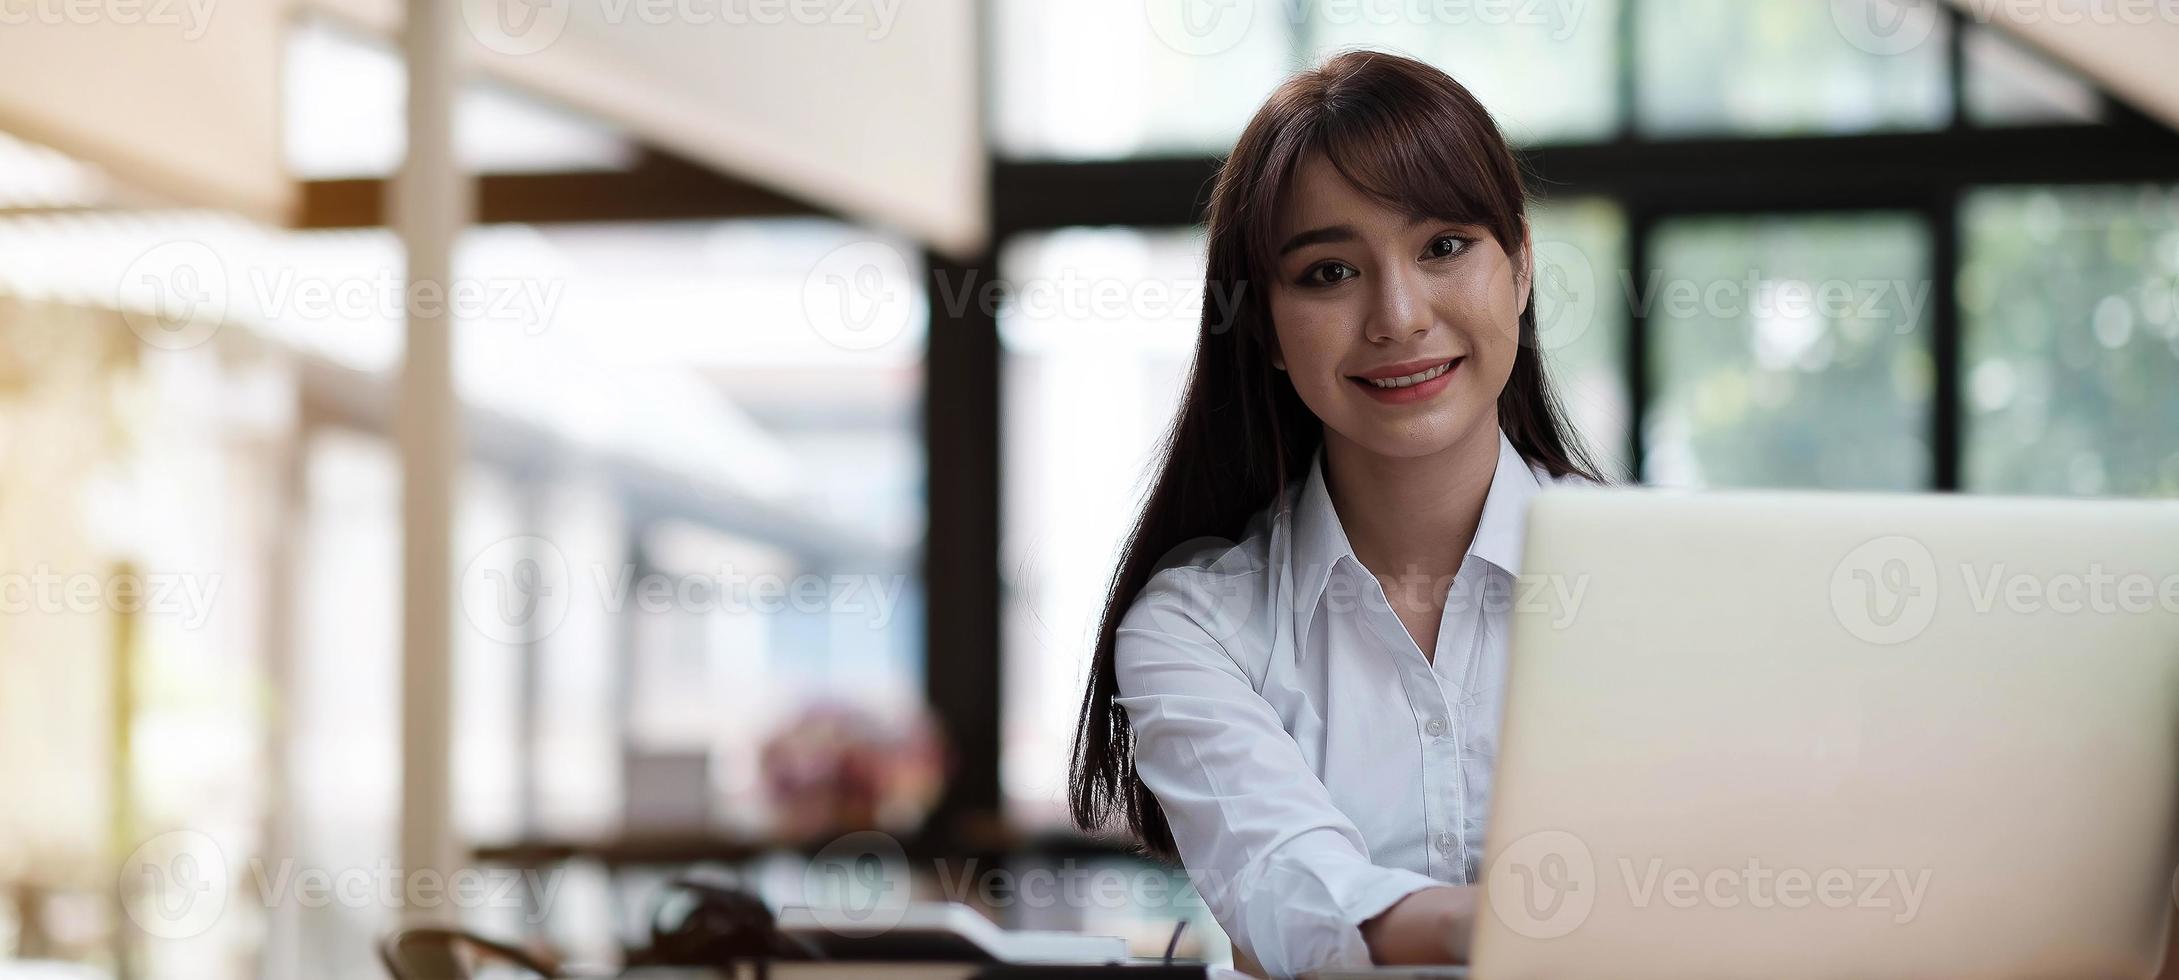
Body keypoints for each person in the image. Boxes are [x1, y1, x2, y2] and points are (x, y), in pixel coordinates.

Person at [1067, 49, 1603, 976]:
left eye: (1443, 247)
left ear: (1518, 267)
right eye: (1326, 273)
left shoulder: (1661, 583)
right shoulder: (1197, 630)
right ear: (1266, 330)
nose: (1397, 316)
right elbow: (1288, 889)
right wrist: (1544, 930)